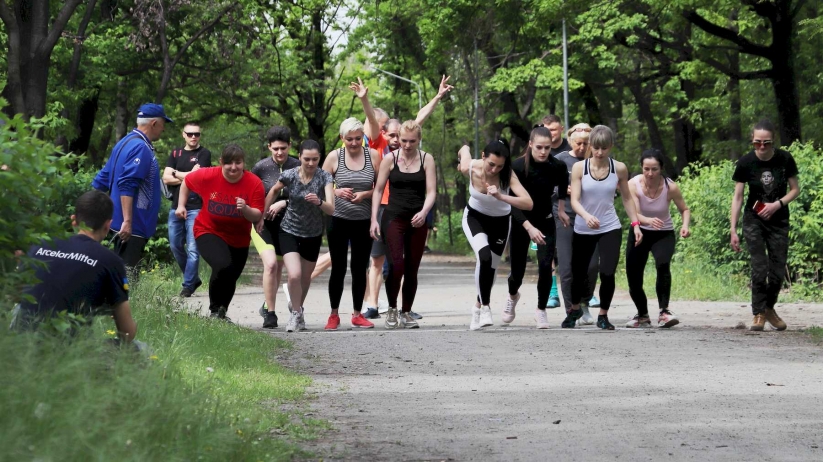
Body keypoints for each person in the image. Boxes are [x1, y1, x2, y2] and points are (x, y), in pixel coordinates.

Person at [361, 76, 453, 320]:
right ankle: (376, 304)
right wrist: (364, 99)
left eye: (407, 139)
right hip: (387, 210)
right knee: (382, 261)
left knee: (406, 266)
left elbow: (419, 119)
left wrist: (437, 96)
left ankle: (405, 309)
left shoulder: (419, 150)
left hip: (414, 213)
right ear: (387, 134)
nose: (401, 142)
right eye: (397, 137)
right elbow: (371, 120)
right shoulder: (382, 146)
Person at [10, 191, 137, 343]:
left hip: (19, 343)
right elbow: (127, 333)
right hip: (65, 351)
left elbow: (16, 296)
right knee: (140, 349)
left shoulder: (39, 245)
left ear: (74, 220)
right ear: (108, 225)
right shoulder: (110, 261)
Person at [565, 125, 643, 330]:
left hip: (609, 226)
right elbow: (574, 200)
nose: (599, 153)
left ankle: (603, 315)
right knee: (579, 272)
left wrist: (636, 224)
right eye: (596, 148)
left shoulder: (619, 168)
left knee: (607, 272)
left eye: (604, 149)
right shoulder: (580, 168)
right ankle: (574, 310)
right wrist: (586, 215)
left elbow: (627, 197)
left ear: (611, 147)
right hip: (584, 226)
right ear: (591, 146)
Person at [177, 144, 264, 321]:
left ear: (243, 163)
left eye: (238, 163)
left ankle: (222, 313)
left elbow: (257, 215)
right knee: (223, 264)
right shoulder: (208, 175)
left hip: (239, 238)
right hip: (208, 230)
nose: (233, 167)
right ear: (221, 163)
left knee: (231, 275)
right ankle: (215, 310)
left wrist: (245, 209)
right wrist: (181, 205)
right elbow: (186, 181)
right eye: (229, 163)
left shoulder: (254, 183)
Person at [730, 120, 800, 331]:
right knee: (759, 267)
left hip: (778, 219)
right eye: (757, 143)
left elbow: (795, 189)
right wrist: (733, 229)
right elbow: (738, 196)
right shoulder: (745, 162)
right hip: (754, 219)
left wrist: (777, 204)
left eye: (766, 143)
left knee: (778, 269)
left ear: (773, 142)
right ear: (752, 141)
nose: (761, 147)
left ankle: (769, 308)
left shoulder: (785, 159)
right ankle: (758, 313)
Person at [458, 140, 533, 330]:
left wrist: (501, 196)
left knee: (490, 267)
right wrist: (465, 147)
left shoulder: (507, 175)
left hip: (500, 222)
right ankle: (485, 307)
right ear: (483, 156)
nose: (494, 170)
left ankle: (476, 307)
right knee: (483, 256)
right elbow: (464, 151)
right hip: (474, 218)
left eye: (499, 166)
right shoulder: (472, 167)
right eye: (491, 164)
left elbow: (527, 203)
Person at [263, 140, 334, 332]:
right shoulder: (289, 175)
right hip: (289, 230)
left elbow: (331, 208)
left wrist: (319, 201)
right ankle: (295, 314)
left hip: (313, 233)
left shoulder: (324, 177)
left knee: (305, 278)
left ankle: (298, 309)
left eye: (315, 159)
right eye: (307, 159)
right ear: (300, 157)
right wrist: (263, 212)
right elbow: (274, 190)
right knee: (294, 274)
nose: (311, 163)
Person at [370, 120, 436, 329]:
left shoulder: (427, 159)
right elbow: (378, 190)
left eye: (412, 141)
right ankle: (391, 308)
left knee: (412, 268)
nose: (407, 145)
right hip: (393, 218)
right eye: (403, 140)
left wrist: (424, 213)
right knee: (396, 265)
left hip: (417, 219)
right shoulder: (390, 159)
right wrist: (373, 219)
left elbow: (432, 191)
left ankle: (406, 312)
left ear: (419, 140)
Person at [503, 126, 570, 329]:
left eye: (547, 148)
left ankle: (541, 309)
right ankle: (513, 296)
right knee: (517, 272)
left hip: (545, 219)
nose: (543, 152)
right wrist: (528, 226)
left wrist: (561, 210)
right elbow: (511, 203)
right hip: (521, 220)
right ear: (530, 145)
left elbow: (563, 186)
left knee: (545, 266)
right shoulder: (516, 166)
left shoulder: (557, 166)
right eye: (539, 147)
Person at [322, 98, 380, 330]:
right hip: (338, 218)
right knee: (338, 267)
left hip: (363, 220)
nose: (354, 142)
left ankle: (357, 313)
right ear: (342, 139)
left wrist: (365, 194)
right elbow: (319, 185)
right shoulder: (334, 157)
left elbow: (381, 188)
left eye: (358, 138)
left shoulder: (373, 156)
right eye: (349, 139)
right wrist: (336, 190)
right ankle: (334, 314)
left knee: (360, 267)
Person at [92, 103, 170, 271]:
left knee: (120, 276)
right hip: (132, 227)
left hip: (120, 224)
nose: (163, 129)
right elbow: (127, 184)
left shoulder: (124, 142)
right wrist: (127, 221)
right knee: (127, 278)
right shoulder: (140, 147)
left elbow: (101, 181)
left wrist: (91, 214)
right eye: (163, 124)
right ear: (154, 123)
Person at [625, 149, 691, 328]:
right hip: (639, 231)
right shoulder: (633, 184)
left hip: (663, 232)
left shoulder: (670, 187)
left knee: (663, 264)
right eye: (646, 169)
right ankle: (642, 314)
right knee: (633, 274)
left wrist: (685, 226)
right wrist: (646, 221)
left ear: (661, 168)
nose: (650, 173)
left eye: (654, 169)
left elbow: (684, 209)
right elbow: (635, 212)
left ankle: (664, 312)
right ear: (641, 168)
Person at [251, 126, 301, 329]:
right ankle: (270, 315)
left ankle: (266, 304)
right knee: (271, 264)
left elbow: (307, 196)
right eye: (275, 148)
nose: (280, 152)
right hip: (263, 225)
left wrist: (284, 202)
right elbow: (251, 194)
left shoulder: (299, 165)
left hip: (290, 226)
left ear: (290, 146)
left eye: (283, 148)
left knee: (280, 268)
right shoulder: (260, 168)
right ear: (269, 147)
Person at [554, 124, 600, 324]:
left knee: (591, 266)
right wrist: (564, 190)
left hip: (590, 219)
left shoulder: (597, 162)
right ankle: (571, 311)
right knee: (566, 268)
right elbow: (549, 186)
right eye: (578, 143)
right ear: (571, 142)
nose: (582, 147)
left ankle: (584, 303)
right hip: (565, 218)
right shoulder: (560, 160)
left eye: (586, 143)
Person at [163, 121, 212, 298]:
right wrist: (186, 175)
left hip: (196, 207)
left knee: (193, 247)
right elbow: (166, 178)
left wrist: (175, 173)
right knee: (175, 245)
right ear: (183, 134)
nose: (193, 137)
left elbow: (198, 178)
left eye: (196, 134)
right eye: (190, 134)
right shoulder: (176, 153)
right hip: (175, 205)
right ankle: (193, 278)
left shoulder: (204, 153)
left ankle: (188, 285)